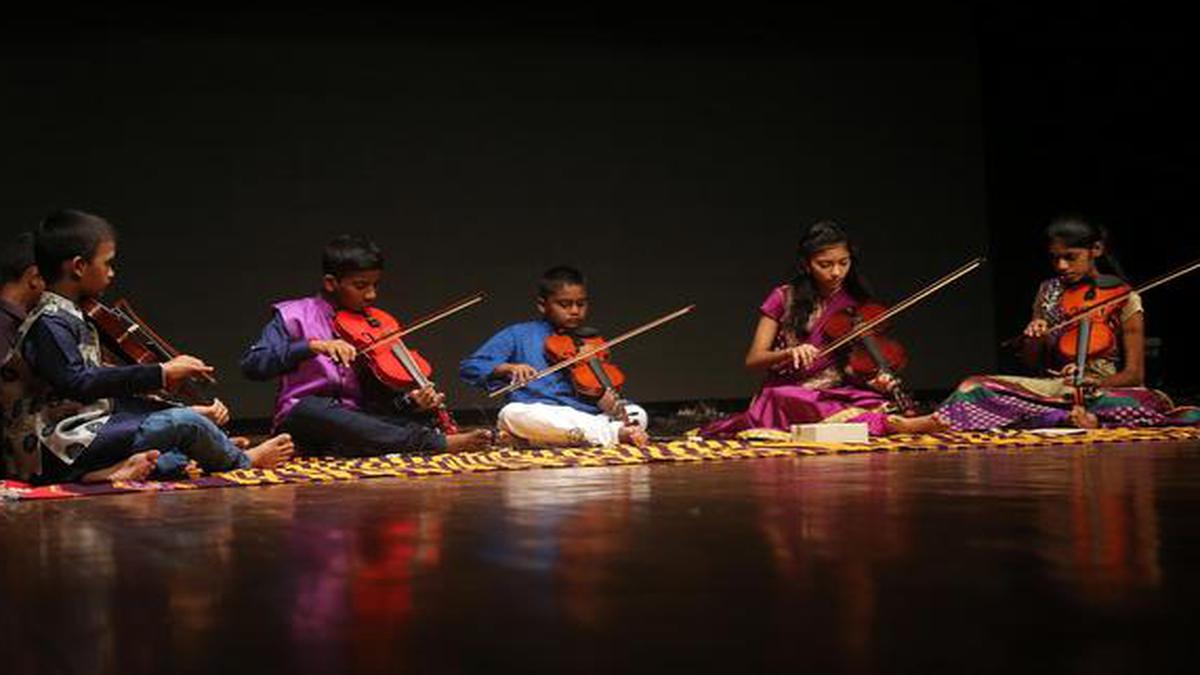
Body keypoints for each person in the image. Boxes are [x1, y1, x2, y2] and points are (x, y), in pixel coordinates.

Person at [7, 209, 294, 484]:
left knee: (171, 451)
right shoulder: (49, 322)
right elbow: (79, 383)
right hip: (52, 445)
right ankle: (243, 460)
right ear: (79, 266)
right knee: (183, 424)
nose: (111, 273)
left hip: (77, 435)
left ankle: (109, 470)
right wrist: (160, 373)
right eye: (107, 263)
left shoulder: (67, 315)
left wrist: (161, 404)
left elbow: (97, 394)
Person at [889, 216, 1200, 433]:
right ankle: (1064, 419)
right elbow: (1033, 362)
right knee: (976, 385)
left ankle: (1070, 418)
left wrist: (1091, 384)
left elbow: (1135, 375)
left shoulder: (1123, 297)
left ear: (1096, 250)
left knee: (1147, 403)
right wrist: (1035, 334)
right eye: (1055, 259)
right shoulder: (1048, 292)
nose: (1062, 266)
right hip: (1053, 388)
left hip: (1101, 389)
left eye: (1071, 257)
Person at [241, 234, 492, 455]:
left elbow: (376, 403)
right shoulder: (293, 315)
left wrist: (411, 402)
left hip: (357, 421)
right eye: (361, 286)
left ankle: (388, 441)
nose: (371, 295)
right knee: (312, 408)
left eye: (375, 285)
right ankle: (434, 443)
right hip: (303, 420)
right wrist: (313, 346)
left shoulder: (373, 325)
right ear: (331, 282)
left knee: (378, 420)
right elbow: (253, 365)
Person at [700, 221, 899, 437]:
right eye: (825, 265)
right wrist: (789, 352)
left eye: (844, 263)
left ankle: (896, 423)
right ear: (806, 264)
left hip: (834, 391)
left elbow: (852, 367)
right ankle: (896, 426)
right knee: (789, 398)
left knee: (872, 401)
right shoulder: (783, 298)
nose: (836, 272)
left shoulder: (854, 303)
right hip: (790, 392)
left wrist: (874, 381)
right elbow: (753, 360)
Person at [459, 265, 649, 448]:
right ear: (543, 305)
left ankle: (549, 439)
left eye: (581, 304)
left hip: (587, 414)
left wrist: (606, 397)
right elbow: (470, 367)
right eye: (565, 304)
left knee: (637, 413)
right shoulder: (519, 334)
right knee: (511, 414)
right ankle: (612, 434)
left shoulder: (590, 340)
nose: (575, 311)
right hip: (542, 413)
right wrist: (508, 368)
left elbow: (602, 393)